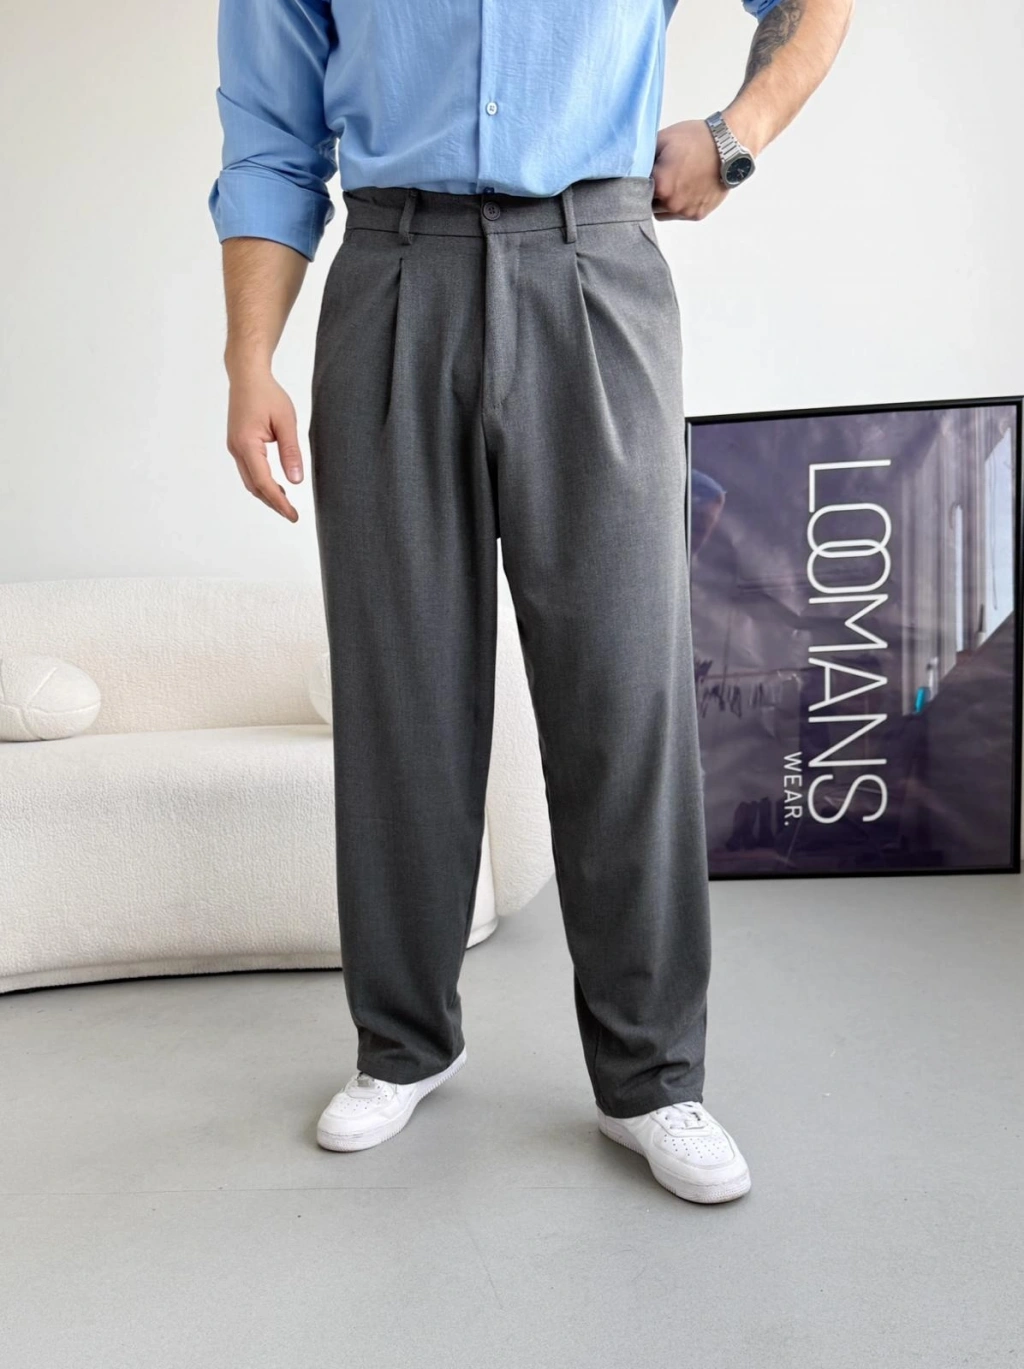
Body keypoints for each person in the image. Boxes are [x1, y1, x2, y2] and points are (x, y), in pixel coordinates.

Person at [209, 0, 852, 1205]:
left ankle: (652, 1077)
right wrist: (251, 358)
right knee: (399, 687)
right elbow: (270, 135)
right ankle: (402, 1042)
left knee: (625, 689)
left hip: (593, 264)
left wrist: (737, 135)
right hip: (391, 272)